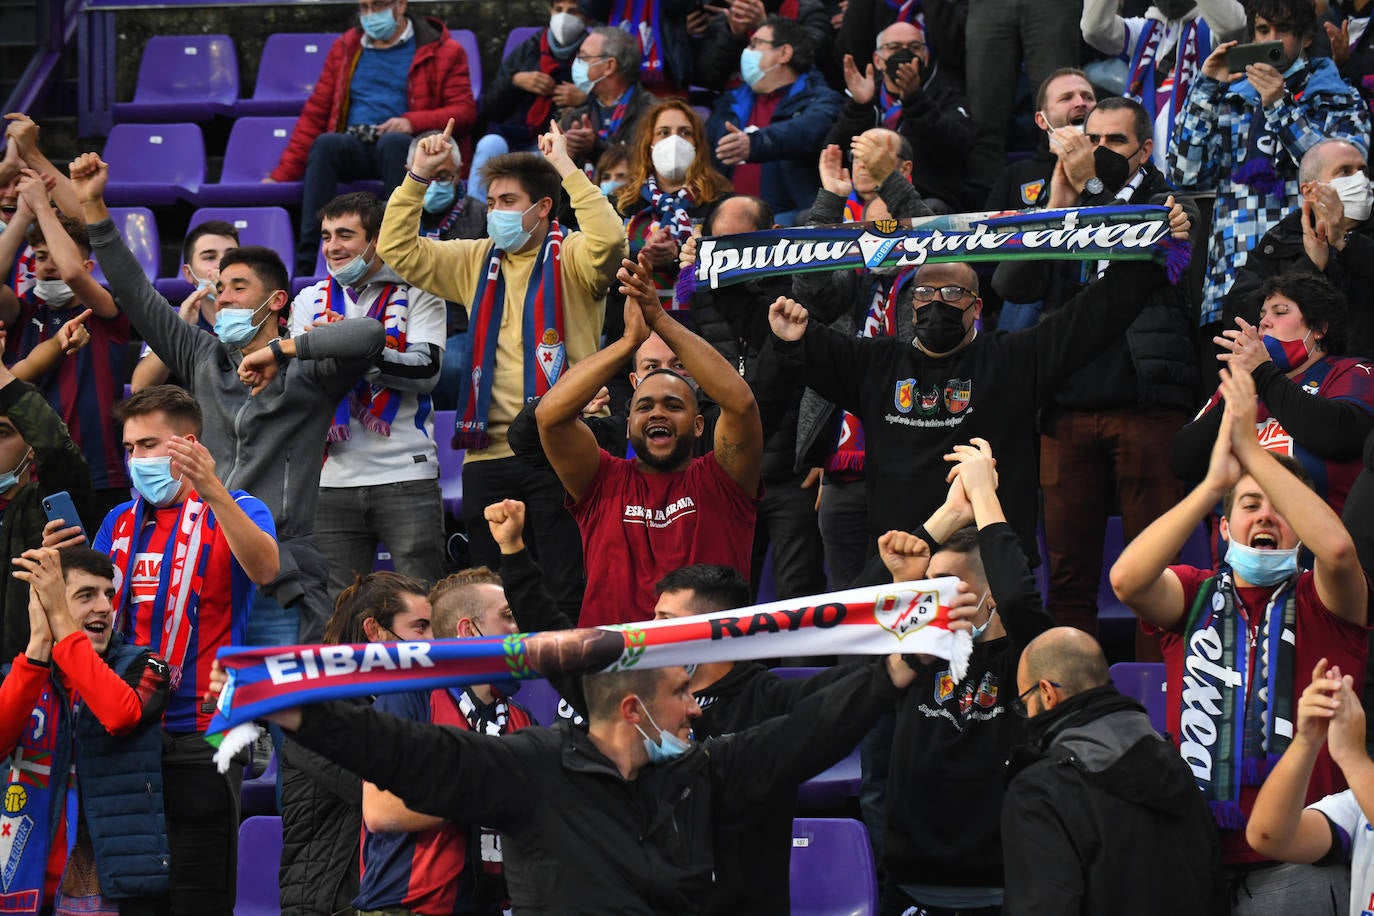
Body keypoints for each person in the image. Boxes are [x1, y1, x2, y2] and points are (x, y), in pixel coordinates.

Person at [206, 640, 930, 913]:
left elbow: (807, 734)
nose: (696, 711)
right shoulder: (531, 768)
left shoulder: (704, 768)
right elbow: (409, 753)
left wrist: (897, 667)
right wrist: (299, 716)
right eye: (684, 694)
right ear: (634, 707)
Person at [486, 497, 861, 915]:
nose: (651, 631)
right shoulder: (629, 691)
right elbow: (556, 644)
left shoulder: (771, 699)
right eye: (654, 617)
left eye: (666, 620)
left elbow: (859, 685)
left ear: (718, 630)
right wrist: (514, 552)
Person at [74, 150, 386, 644]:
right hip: (202, 553)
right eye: (219, 288)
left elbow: (370, 334)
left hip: (282, 556)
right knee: (208, 699)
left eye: (239, 287)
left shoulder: (311, 371)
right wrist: (95, 209)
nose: (224, 299)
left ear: (277, 300)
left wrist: (283, 352)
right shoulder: (203, 354)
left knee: (288, 708)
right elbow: (136, 294)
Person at [764, 243, 1186, 580]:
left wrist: (1152, 252)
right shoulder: (874, 364)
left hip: (990, 565)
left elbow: (1094, 316)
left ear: (977, 307)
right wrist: (790, 336)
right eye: (925, 293)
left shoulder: (1014, 359)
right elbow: (808, 350)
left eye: (952, 294)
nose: (936, 304)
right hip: (905, 559)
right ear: (911, 306)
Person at [1110, 365, 1368, 910]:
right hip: (1192, 856)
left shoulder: (1324, 600)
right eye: (1249, 505)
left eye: (1280, 506)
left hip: (1299, 860)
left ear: (1302, 526)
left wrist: (1251, 453)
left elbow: (1340, 552)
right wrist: (1213, 486)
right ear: (1223, 528)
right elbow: (1126, 579)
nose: (1266, 514)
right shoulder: (1193, 592)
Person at [377, 120, 626, 622]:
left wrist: (566, 168)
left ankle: (568, 694)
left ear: (543, 208)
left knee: (566, 588)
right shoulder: (475, 258)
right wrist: (417, 177)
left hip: (561, 450)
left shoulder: (575, 254)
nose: (495, 213)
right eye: (490, 202)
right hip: (486, 456)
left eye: (508, 202)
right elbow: (397, 250)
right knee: (493, 597)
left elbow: (610, 240)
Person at [992, 96, 1199, 646]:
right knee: (1067, 575)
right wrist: (1055, 205)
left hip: (1147, 406)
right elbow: (1011, 286)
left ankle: (1161, 703)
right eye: (1095, 141)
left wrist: (1092, 188)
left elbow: (1167, 267)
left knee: (1155, 573)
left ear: (1146, 150)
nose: (1102, 152)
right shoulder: (1062, 200)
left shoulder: (1171, 205)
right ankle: (1073, 697)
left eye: (1117, 142)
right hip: (1065, 409)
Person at [86, 386, 279, 915]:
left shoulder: (240, 508)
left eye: (148, 445)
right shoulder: (118, 523)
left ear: (187, 445)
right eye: (128, 448)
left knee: (201, 899)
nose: (135, 460)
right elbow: (97, 619)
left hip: (205, 731)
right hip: (128, 733)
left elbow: (266, 570)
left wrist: (211, 488)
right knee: (136, 900)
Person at [873, 437, 1053, 916]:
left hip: (1002, 890)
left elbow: (1019, 600)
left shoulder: (1026, 660)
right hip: (909, 887)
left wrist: (984, 493)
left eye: (948, 588)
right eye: (929, 589)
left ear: (988, 595)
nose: (935, 601)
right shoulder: (915, 654)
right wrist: (948, 517)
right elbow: (849, 612)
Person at [536, 254, 762, 625]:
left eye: (674, 405)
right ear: (627, 425)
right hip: (617, 671)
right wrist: (629, 342)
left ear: (700, 425)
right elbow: (550, 416)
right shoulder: (601, 481)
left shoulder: (725, 480)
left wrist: (660, 318)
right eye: (644, 406)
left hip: (706, 670)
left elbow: (740, 404)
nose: (657, 413)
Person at [1168, 0, 1370, 330]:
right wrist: (1206, 87)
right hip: (1231, 281)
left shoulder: (1338, 97)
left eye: (1285, 30)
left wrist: (1279, 107)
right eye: (1263, 30)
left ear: (1306, 38)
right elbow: (1184, 174)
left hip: (1309, 277)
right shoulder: (1229, 96)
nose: (1272, 40)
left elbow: (1341, 176)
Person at [290, 191, 448, 603]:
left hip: (406, 474)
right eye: (326, 236)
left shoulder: (419, 293)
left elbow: (427, 370)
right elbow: (301, 381)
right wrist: (340, 351)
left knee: (424, 599)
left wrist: (354, 348)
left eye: (346, 234)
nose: (333, 247)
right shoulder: (308, 301)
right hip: (330, 480)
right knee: (340, 608)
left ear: (376, 240)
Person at [1001, 627, 1225, 916]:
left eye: (1024, 702)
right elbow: (1213, 879)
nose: (1027, 715)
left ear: (1046, 693)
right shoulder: (1173, 761)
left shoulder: (1040, 789)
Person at [788, 139, 931, 588]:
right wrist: (829, 204)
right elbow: (809, 286)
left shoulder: (931, 281)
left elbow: (935, 239)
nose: (882, 241)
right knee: (851, 600)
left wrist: (892, 181)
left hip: (910, 464)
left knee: (907, 594)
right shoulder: (850, 284)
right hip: (844, 475)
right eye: (871, 234)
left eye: (893, 230)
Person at [1, 547, 171, 913]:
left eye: (108, 595)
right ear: (51, 605)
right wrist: (40, 645)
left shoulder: (145, 664)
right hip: (23, 882)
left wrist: (63, 628)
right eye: (86, 595)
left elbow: (120, 713)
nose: (105, 607)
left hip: (113, 886)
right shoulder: (17, 673)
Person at [354, 569, 529, 915]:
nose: (518, 629)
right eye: (507, 617)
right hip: (405, 908)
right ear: (468, 630)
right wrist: (489, 792)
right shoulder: (410, 696)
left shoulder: (521, 717)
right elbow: (381, 811)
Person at [267, 0, 478, 275]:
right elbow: (315, 115)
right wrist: (281, 175)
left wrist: (410, 122)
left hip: (404, 147)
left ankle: (398, 255)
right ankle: (308, 264)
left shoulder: (444, 50)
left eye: (376, 6)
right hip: (356, 145)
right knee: (326, 144)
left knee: (393, 144)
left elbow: (464, 110)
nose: (369, 14)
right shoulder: (346, 48)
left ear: (400, 6)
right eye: (363, 8)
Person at [683, 195, 823, 602]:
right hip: (726, 472)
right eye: (719, 243)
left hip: (792, 472)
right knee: (722, 594)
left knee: (799, 596)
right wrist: (694, 272)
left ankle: (803, 669)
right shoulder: (707, 287)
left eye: (740, 243)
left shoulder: (798, 286)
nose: (728, 255)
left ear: (773, 237)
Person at [1170, 271, 1374, 515]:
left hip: (1320, 548)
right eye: (1262, 315)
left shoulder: (1352, 372)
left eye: (1280, 312)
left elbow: (1339, 434)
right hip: (1236, 548)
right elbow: (1182, 461)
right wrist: (1237, 395)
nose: (1264, 322)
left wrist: (1264, 374)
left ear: (1319, 328)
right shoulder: (1236, 385)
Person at [0, 170, 129, 521]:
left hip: (101, 477)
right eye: (40, 257)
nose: (49, 265)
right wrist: (24, 215)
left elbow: (73, 275)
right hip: (31, 480)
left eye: (57, 253)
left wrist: (42, 206)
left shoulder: (104, 314)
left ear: (87, 265)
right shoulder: (21, 317)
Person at [1224, 139, 1374, 357]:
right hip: (1300, 384)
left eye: (1363, 171)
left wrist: (1344, 242)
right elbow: (1241, 315)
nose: (1360, 180)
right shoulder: (1280, 241)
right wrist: (1309, 267)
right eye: (1345, 171)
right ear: (1310, 191)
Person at [1247, 659, 1374, 916]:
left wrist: (1352, 757)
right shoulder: (1360, 799)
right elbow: (1269, 837)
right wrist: (1307, 741)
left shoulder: (1362, 777)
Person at [0, 336, 96, 663]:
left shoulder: (47, 507)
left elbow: (57, 450)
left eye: (2, 433)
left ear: (32, 447)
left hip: (30, 675)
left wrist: (1, 375)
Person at [1080, 0, 1247, 171]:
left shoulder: (1211, 30)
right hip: (1146, 183)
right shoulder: (1143, 31)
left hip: (1197, 178)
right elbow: (1095, 29)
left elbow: (1232, 26)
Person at [705, 17, 843, 224]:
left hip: (793, 223)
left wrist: (755, 144)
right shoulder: (730, 101)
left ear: (784, 53)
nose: (747, 51)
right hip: (729, 223)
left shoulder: (821, 99)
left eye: (756, 44)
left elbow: (805, 132)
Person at [829, 20, 974, 211]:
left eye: (914, 47)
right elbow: (834, 152)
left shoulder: (946, 94)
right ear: (878, 60)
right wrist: (859, 106)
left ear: (926, 56)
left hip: (920, 200)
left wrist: (916, 101)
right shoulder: (866, 94)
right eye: (894, 47)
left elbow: (958, 148)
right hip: (862, 197)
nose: (904, 53)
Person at [611, 100, 731, 303]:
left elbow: (728, 264)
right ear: (648, 144)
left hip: (698, 326)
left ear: (697, 145)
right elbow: (603, 262)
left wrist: (678, 254)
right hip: (632, 324)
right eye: (664, 133)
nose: (674, 141)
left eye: (685, 132)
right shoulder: (621, 203)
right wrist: (642, 255)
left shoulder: (720, 202)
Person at [471, 0, 588, 200]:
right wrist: (515, 81)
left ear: (586, 17)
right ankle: (474, 216)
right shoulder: (528, 48)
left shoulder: (591, 51)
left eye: (572, 11)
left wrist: (585, 98)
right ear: (550, 11)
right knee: (489, 144)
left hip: (554, 142)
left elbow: (609, 98)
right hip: (514, 136)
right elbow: (490, 107)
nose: (564, 17)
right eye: (558, 10)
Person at [964, 0, 1083, 192]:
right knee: (983, 120)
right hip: (988, 6)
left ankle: (1064, 201)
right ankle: (982, 210)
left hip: (1050, 6)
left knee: (1059, 115)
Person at [130, 220, 239, 392]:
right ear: (189, 274)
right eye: (210, 257)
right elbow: (140, 388)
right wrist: (178, 330)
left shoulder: (263, 314)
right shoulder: (170, 320)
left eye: (231, 255)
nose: (222, 264)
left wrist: (232, 306)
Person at [984, 68, 1097, 213]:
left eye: (1088, 97)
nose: (1081, 103)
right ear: (1042, 120)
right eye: (1066, 98)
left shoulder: (1115, 161)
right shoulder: (1014, 175)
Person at [556, 28, 655, 171]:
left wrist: (595, 147)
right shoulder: (574, 119)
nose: (575, 64)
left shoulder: (653, 115)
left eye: (583, 57)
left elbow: (648, 166)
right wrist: (564, 157)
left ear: (609, 66)